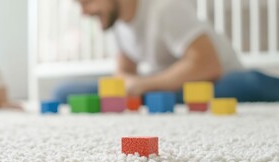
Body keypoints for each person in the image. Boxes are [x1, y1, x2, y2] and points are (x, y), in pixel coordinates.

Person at [54, 0, 279, 103]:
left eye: (87, 2)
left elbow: (207, 65)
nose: (84, 12)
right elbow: (123, 72)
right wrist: (130, 84)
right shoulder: (118, 23)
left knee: (247, 84)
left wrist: (141, 85)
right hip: (161, 84)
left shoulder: (165, 7)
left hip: (217, 78)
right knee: (65, 91)